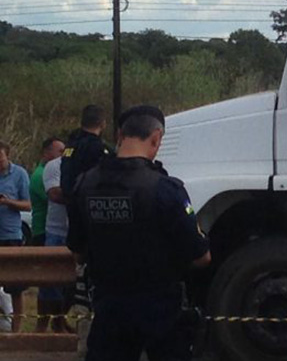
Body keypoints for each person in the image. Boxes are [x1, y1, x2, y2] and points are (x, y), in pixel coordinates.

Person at [66, 105, 211, 361]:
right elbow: (201, 256)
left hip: (107, 308)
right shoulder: (166, 189)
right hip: (160, 312)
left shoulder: (84, 184)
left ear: (120, 134)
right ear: (156, 138)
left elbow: (78, 253)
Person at [0, 139, 32, 332]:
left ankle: (17, 331)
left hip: (11, 235)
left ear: (7, 156)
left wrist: (8, 202)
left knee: (15, 286)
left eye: (0, 159)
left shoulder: (19, 174)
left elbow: (28, 205)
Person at [37, 155, 71, 332]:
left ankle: (60, 322)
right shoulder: (54, 166)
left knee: (71, 285)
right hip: (56, 232)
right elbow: (54, 194)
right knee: (49, 282)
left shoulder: (89, 163)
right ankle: (41, 325)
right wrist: (81, 193)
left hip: (78, 232)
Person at [61, 104, 110, 200]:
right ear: (102, 124)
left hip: (70, 200)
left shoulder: (71, 144)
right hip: (91, 201)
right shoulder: (97, 147)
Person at [29, 137, 65, 247]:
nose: (63, 155)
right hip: (42, 229)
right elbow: (52, 197)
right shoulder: (40, 175)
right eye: (60, 151)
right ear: (46, 153)